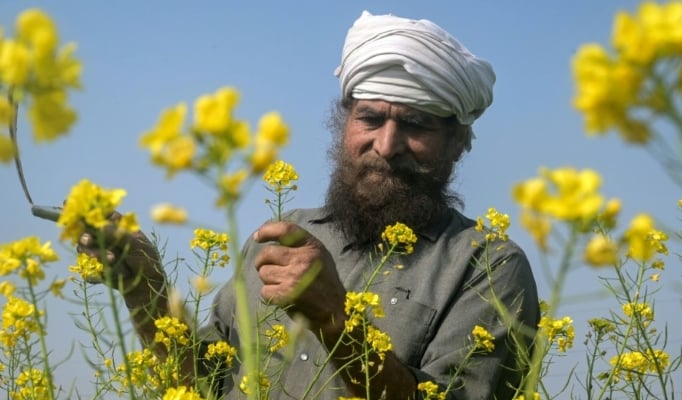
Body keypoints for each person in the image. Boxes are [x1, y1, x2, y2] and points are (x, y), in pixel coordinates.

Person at [77, 11, 540, 400]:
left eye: (416, 125)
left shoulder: (488, 267)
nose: (387, 144)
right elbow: (203, 383)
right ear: (343, 125)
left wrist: (334, 321)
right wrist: (145, 288)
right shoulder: (281, 236)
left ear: (459, 141)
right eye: (370, 118)